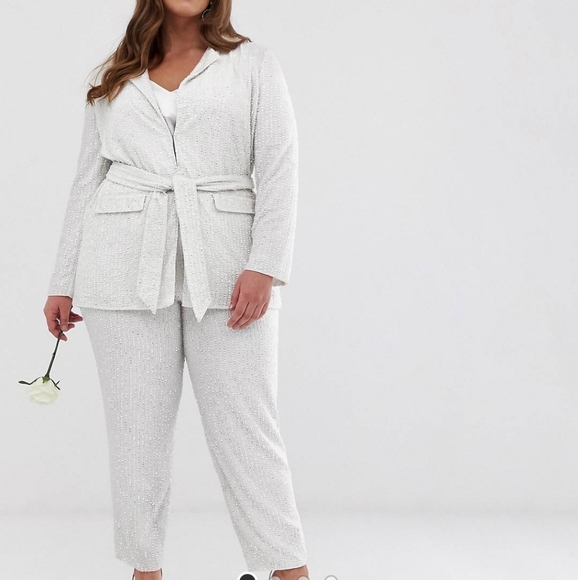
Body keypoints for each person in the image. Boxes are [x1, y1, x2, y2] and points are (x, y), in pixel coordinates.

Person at [43, 1, 309, 579]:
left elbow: (280, 167)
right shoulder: (113, 72)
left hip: (229, 266)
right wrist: (62, 281)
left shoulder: (254, 64)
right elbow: (88, 178)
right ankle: (146, 572)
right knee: (136, 436)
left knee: (247, 429)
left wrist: (265, 264)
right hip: (120, 264)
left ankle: (289, 571)